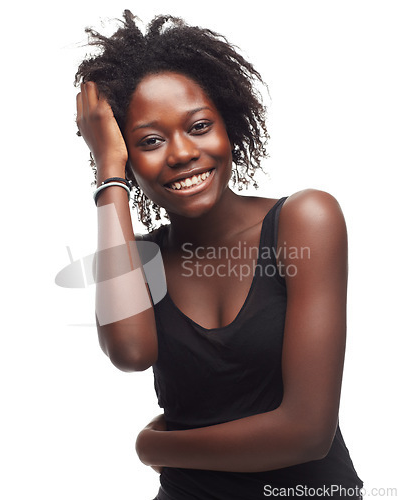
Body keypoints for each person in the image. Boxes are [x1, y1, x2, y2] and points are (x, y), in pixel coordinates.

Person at [74, 10, 363, 500]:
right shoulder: (139, 257)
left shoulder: (305, 219)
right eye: (149, 141)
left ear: (230, 124)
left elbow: (307, 433)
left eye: (200, 126)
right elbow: (130, 353)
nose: (182, 152)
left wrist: (154, 448)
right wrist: (109, 176)